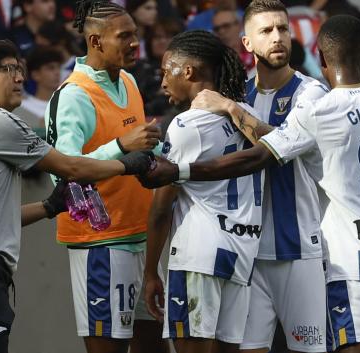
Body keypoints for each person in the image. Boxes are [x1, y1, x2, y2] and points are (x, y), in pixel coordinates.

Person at [139, 15, 360, 353]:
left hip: (349, 257)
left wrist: (180, 171)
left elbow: (258, 156)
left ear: (321, 59)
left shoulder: (319, 110)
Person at [0, 39, 154, 353]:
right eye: (8, 70)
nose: (20, 77)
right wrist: (125, 158)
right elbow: (70, 166)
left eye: (19, 69)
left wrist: (50, 207)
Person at [44, 1, 166, 353]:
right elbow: (61, 173)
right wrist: (120, 146)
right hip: (101, 244)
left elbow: (142, 151)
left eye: (135, 35)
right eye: (124, 36)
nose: (134, 44)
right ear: (95, 41)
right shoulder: (72, 96)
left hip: (144, 238)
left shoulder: (127, 80)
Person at [143, 29, 262, 353]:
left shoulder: (186, 125)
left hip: (199, 253)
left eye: (167, 70)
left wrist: (151, 270)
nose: (163, 81)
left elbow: (161, 208)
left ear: (189, 71)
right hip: (241, 250)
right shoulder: (248, 116)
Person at [223, 1, 329, 352]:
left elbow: (278, 145)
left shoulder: (311, 92)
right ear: (247, 43)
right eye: (266, 31)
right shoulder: (239, 94)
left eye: (283, 28)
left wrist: (229, 109)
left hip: (299, 251)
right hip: (248, 252)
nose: (278, 36)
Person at [21, 46, 63, 124]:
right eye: (51, 68)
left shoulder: (68, 105)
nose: (57, 72)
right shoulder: (23, 107)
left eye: (58, 67)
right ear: (36, 75)